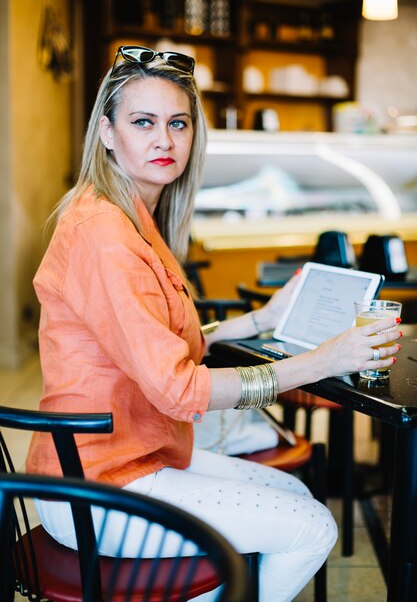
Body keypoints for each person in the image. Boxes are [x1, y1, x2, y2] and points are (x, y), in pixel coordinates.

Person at [26, 45, 401, 602]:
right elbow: (181, 391)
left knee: (289, 490)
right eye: (143, 122)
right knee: (313, 526)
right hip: (95, 486)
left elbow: (162, 347)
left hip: (128, 456)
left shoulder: (130, 215)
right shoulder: (104, 234)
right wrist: (326, 361)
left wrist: (262, 317)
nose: (165, 140)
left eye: (178, 123)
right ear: (106, 131)